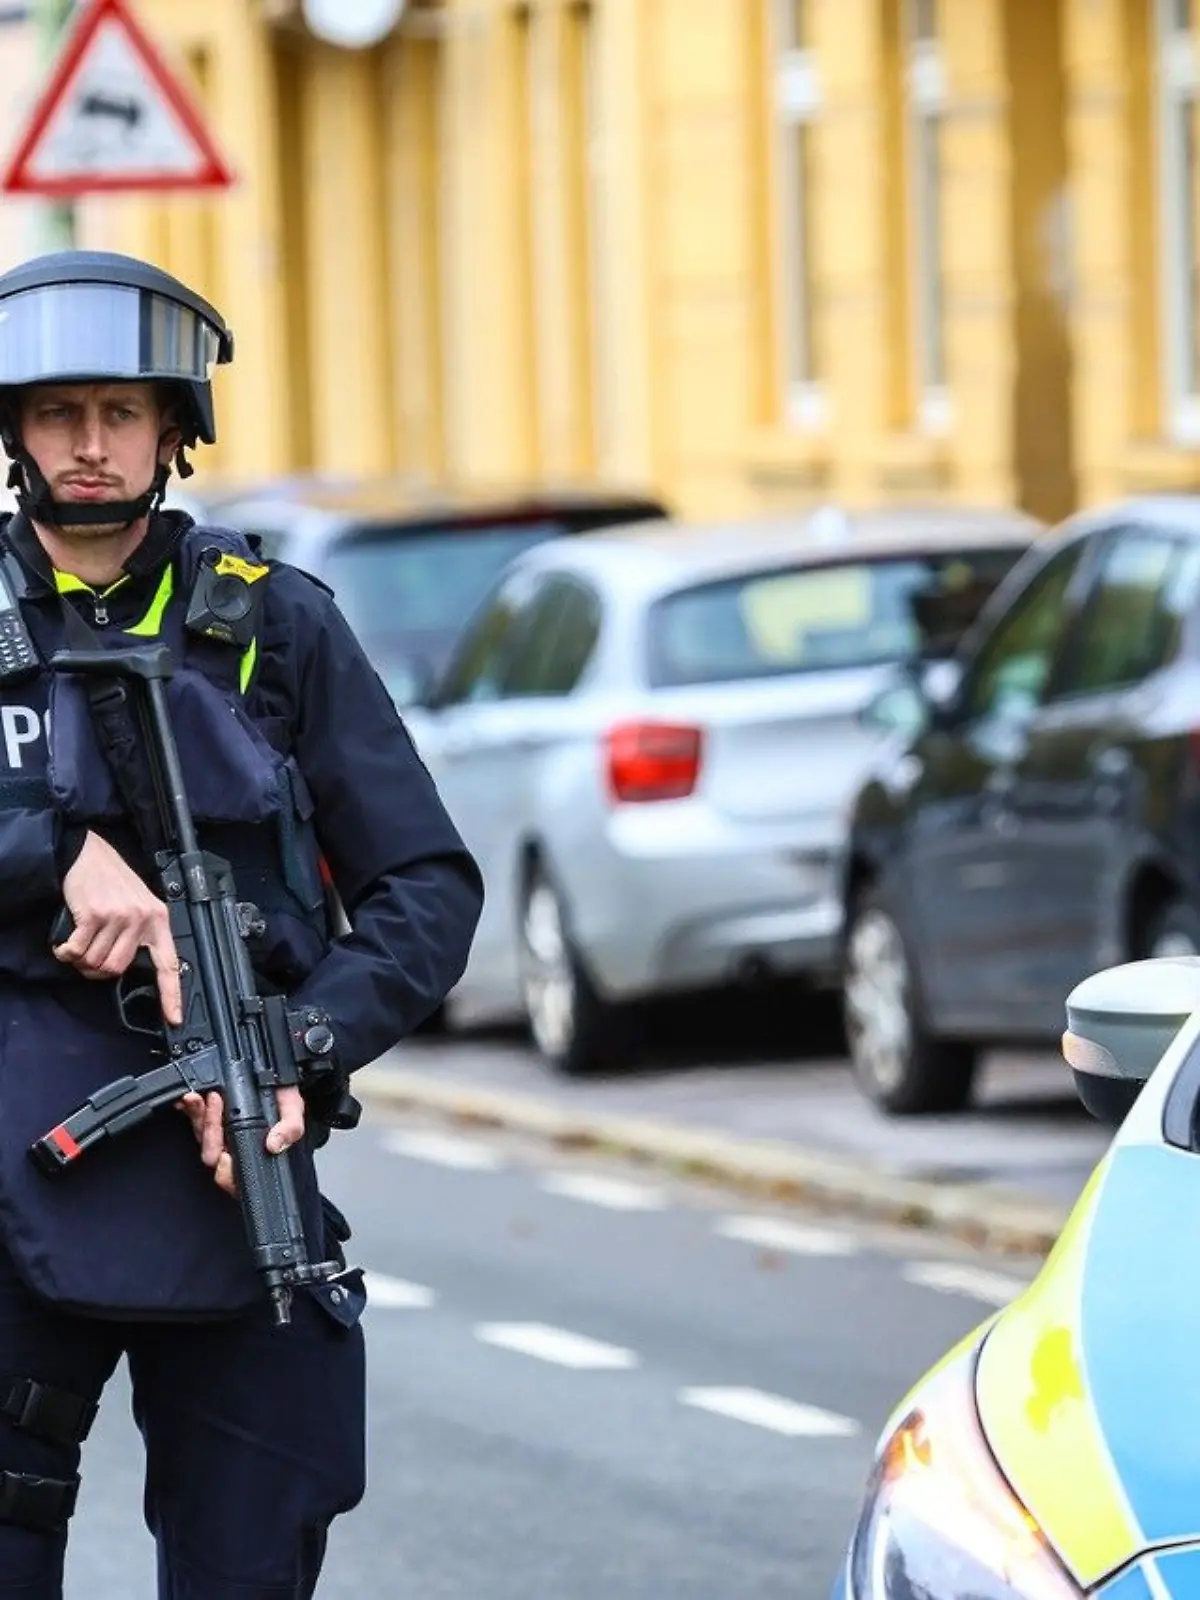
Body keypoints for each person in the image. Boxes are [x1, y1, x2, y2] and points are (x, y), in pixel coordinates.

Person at [0, 249, 484, 1597]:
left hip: (236, 1159)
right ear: (13, 428)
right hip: (9, 1173)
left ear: (174, 429)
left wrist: (299, 1043)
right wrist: (50, 854)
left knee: (258, 1539)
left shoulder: (278, 631)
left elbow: (427, 888)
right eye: (56, 413)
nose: (89, 447)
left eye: (121, 413)